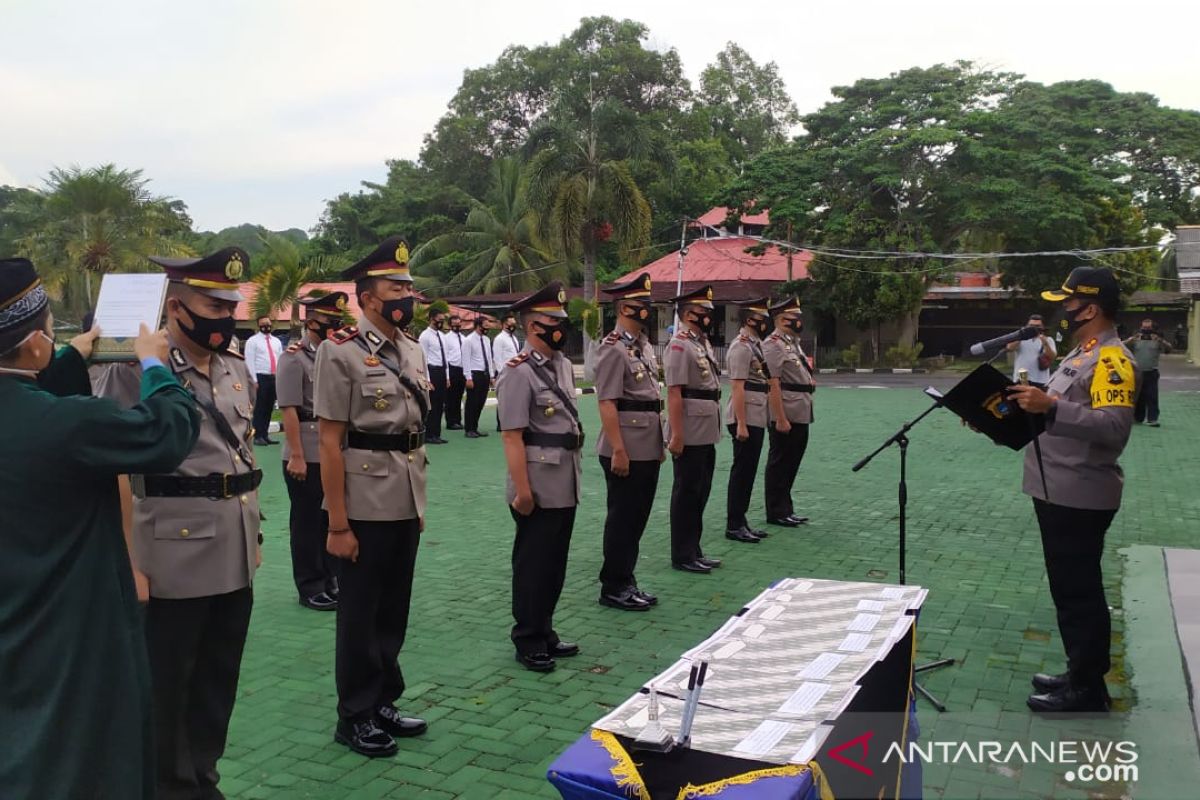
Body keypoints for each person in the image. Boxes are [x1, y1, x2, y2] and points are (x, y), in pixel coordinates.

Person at [0, 258, 199, 800]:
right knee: (76, 746)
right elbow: (168, 432)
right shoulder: (64, 425)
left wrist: (69, 357)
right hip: (66, 619)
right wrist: (156, 368)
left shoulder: (43, 412)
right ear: (36, 342)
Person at [95, 246, 263, 800]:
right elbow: (114, 468)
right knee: (167, 687)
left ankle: (202, 780)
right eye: (210, 306)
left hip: (232, 551)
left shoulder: (237, 367)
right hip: (168, 554)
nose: (223, 318)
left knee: (217, 682)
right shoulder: (134, 370)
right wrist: (129, 562)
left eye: (228, 307)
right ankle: (168, 788)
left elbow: (243, 458)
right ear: (174, 308)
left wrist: (253, 536)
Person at [313, 236, 431, 757]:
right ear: (367, 297)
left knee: (393, 609)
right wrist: (337, 524)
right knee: (359, 614)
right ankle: (354, 715)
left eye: (408, 284)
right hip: (363, 502)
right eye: (395, 286)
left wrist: (417, 502)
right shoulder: (338, 353)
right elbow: (330, 442)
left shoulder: (411, 348)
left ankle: (384, 698)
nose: (406, 293)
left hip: (405, 493)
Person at [1006, 267, 1137, 713]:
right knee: (1070, 590)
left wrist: (1052, 407)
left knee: (1079, 593)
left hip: (1080, 492)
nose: (1062, 309)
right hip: (1058, 486)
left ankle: (1088, 690)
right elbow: (1058, 405)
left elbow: (1114, 429)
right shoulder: (1083, 353)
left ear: (1091, 308)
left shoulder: (1112, 360)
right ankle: (1079, 671)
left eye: (1068, 303)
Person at [497, 282, 582, 672]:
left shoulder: (562, 365)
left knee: (554, 562)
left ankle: (545, 627)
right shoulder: (518, 372)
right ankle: (528, 637)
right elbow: (512, 435)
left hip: (565, 477)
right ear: (533, 327)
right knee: (532, 563)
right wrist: (523, 490)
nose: (561, 327)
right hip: (536, 481)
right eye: (554, 321)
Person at [594, 272, 663, 611]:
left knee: (637, 517)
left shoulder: (643, 346)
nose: (646, 311)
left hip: (646, 444)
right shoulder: (613, 349)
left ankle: (627, 579)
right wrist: (618, 449)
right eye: (640, 306)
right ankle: (613, 585)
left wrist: (659, 444)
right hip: (625, 448)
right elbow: (607, 402)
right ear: (623, 308)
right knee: (622, 519)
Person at [278, 291, 348, 611]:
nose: (335, 328)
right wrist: (296, 454)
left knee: (328, 516)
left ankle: (331, 578)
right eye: (330, 323)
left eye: (339, 322)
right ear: (313, 323)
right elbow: (289, 409)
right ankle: (310, 584)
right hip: (306, 447)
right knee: (306, 522)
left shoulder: (337, 354)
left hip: (333, 448)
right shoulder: (294, 357)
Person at [664, 285, 723, 574]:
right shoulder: (679, 345)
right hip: (689, 429)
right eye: (703, 312)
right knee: (686, 492)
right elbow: (674, 392)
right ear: (688, 314)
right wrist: (676, 434)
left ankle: (694, 548)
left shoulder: (701, 342)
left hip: (706, 428)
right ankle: (682, 554)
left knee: (700, 491)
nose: (708, 316)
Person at [762, 297, 815, 527]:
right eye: (795, 317)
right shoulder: (773, 344)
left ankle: (786, 507)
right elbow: (773, 382)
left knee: (793, 461)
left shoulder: (792, 343)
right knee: (780, 462)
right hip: (786, 410)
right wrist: (780, 417)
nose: (799, 321)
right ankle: (775, 510)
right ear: (783, 319)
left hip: (800, 408)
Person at [724, 298, 773, 544]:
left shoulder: (756, 345)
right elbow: (737, 386)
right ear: (749, 319)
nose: (765, 321)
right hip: (744, 417)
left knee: (749, 471)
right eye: (761, 317)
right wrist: (741, 423)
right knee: (742, 471)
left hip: (756, 414)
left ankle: (741, 520)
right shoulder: (741, 346)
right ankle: (733, 524)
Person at [245, 314, 283, 445]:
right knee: (260, 407)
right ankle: (257, 436)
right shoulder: (252, 341)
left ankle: (265, 435)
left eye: (267, 324)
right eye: (262, 325)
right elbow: (249, 361)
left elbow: (280, 359)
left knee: (269, 407)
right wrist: (253, 380)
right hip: (260, 377)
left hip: (274, 377)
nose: (266, 327)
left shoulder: (276, 341)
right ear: (258, 326)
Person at [1125, 318, 1169, 426]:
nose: (1146, 330)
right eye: (1144, 328)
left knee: (1152, 396)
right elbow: (1120, 346)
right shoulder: (1135, 340)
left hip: (1151, 372)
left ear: (1153, 329)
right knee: (1138, 396)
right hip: (1137, 372)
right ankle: (1138, 418)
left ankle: (1152, 419)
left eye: (1148, 328)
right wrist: (1130, 340)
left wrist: (1160, 340)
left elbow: (1169, 349)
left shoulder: (1157, 340)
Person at [418, 309, 449, 444]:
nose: (441, 322)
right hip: (432, 371)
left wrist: (447, 376)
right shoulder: (425, 336)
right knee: (433, 405)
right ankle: (429, 434)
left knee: (440, 404)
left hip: (442, 371)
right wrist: (428, 380)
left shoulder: (442, 336)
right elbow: (423, 359)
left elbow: (445, 357)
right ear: (431, 319)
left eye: (443, 319)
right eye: (439, 319)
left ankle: (436, 433)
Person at [462, 314, 493, 438]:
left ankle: (475, 427)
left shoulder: (486, 339)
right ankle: (469, 428)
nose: (487, 328)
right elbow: (466, 360)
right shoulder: (468, 340)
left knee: (480, 402)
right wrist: (468, 377)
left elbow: (489, 358)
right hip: (474, 374)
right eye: (485, 326)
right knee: (472, 402)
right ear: (478, 326)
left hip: (484, 374)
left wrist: (491, 375)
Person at [491, 312, 522, 432]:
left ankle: (512, 421)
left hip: (515, 372)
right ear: (504, 324)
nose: (513, 325)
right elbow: (497, 358)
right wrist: (501, 374)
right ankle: (501, 424)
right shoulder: (499, 339)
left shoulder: (513, 337)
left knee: (514, 399)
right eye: (511, 323)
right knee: (504, 399)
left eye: (514, 323)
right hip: (505, 373)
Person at [1007, 313, 1057, 386]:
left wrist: (1045, 344)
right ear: (1027, 326)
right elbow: (1010, 348)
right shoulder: (1021, 338)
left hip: (1041, 379)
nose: (1034, 328)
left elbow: (1052, 357)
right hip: (1021, 377)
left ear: (1042, 327)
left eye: (1037, 326)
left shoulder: (1048, 340)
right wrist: (1021, 336)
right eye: (1031, 325)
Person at [444, 313, 466, 431]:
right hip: (452, 368)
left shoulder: (463, 338)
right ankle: (450, 421)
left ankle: (457, 420)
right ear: (450, 325)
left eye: (459, 324)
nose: (457, 326)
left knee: (459, 396)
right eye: (455, 324)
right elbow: (446, 355)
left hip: (462, 369)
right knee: (450, 397)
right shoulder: (446, 338)